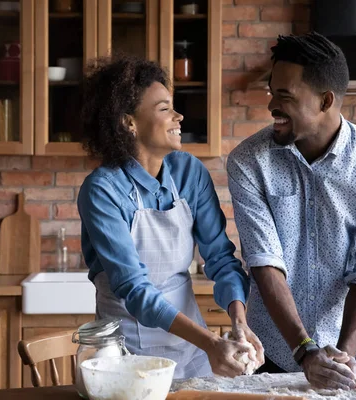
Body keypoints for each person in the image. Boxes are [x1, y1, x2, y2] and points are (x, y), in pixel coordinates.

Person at [226, 33, 356, 390]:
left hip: (348, 348)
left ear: (326, 100)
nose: (271, 106)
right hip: (273, 353)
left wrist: (341, 358)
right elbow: (265, 262)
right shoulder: (249, 162)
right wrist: (305, 351)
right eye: (271, 92)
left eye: (285, 96)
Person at [77, 54, 264, 380]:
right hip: (127, 354)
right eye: (164, 108)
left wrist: (239, 321)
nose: (178, 116)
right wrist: (210, 342)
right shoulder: (103, 190)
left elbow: (220, 259)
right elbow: (135, 289)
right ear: (128, 122)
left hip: (193, 351)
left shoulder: (189, 172)